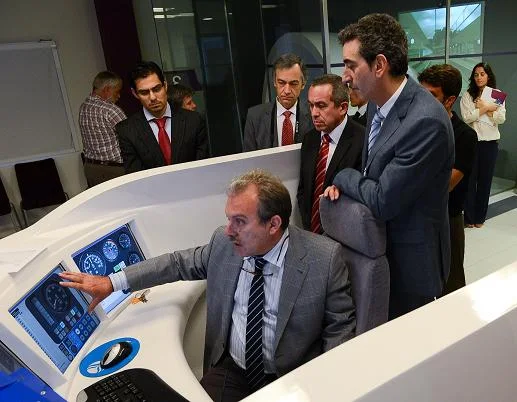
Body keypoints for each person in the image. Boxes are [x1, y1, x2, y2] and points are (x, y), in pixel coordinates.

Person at [59, 170, 355, 401]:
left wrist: (327, 389)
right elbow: (176, 263)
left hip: (290, 378)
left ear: (273, 224)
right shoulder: (224, 245)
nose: (229, 231)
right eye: (228, 219)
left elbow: (340, 331)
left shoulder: (324, 258)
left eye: (240, 221)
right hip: (233, 371)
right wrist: (112, 282)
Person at [323, 13, 454, 319]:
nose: (345, 77)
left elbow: (383, 200)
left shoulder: (426, 121)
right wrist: (348, 190)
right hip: (377, 252)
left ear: (379, 65)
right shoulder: (376, 104)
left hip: (411, 267)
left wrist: (342, 176)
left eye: (351, 65)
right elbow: (372, 175)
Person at [418, 64, 477, 294]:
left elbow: (445, 185)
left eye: (432, 95)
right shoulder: (416, 128)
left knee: (451, 287)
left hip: (447, 219)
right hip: (416, 218)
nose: (423, 102)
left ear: (450, 100)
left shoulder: (464, 136)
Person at [297, 74, 364, 233]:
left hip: (345, 235)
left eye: (321, 106)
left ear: (343, 108)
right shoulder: (310, 139)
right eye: (311, 105)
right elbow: (304, 191)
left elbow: (363, 195)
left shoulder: (363, 140)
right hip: (312, 234)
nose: (314, 113)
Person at [116, 61, 209, 174]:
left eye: (156, 89)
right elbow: (136, 175)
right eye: (144, 92)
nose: (152, 97)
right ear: (135, 94)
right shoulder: (127, 130)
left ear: (165, 85)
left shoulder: (193, 120)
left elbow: (203, 166)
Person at [460, 62, 506, 228]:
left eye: (482, 74)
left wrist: (486, 107)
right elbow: (467, 117)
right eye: (476, 75)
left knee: (485, 182)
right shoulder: (468, 95)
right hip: (473, 143)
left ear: (488, 76)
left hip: (490, 144)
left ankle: (480, 218)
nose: (479, 77)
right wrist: (485, 109)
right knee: (470, 181)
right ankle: (469, 218)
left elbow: (501, 118)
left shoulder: (497, 94)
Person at [242, 54, 313, 151]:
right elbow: (249, 157)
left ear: (303, 84)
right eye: (281, 83)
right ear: (274, 82)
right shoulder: (254, 116)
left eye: (293, 84)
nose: (287, 91)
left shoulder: (313, 114)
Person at [79, 71, 127, 187]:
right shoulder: (111, 110)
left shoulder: (84, 107)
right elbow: (130, 138)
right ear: (107, 89)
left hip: (91, 168)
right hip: (114, 170)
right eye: (117, 91)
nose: (119, 96)